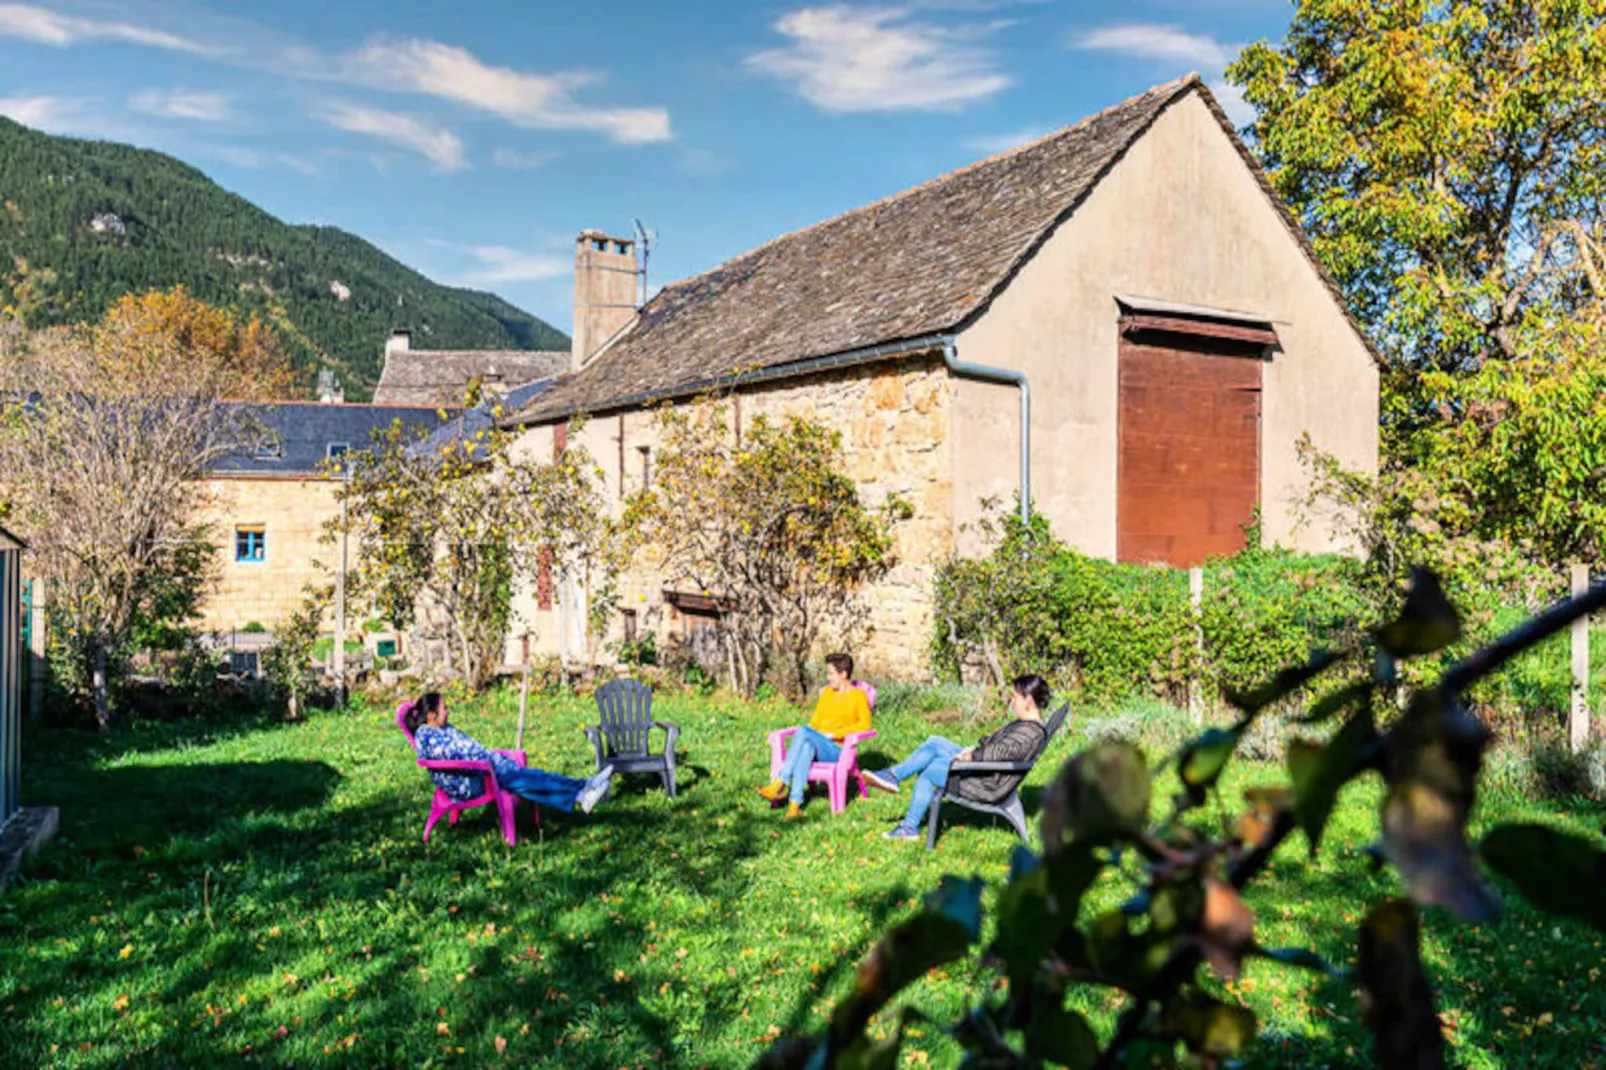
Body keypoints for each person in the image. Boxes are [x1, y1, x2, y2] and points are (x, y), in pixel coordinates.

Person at [865, 674, 1052, 840]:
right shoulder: (1028, 725)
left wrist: (973, 755)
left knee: (930, 770)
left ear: (1028, 700)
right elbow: (1001, 749)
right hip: (987, 768)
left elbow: (1002, 753)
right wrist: (973, 750)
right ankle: (893, 777)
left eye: (1015, 697)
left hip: (987, 782)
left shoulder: (1030, 732)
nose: (1011, 701)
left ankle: (908, 825)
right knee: (935, 742)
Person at [407, 692, 614, 814]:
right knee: (526, 781)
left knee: (535, 776)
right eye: (444, 708)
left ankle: (583, 787)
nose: (448, 711)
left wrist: (490, 758)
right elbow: (452, 756)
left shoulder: (441, 729)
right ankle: (580, 795)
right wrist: (484, 763)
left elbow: (466, 750)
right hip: (472, 779)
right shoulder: (427, 736)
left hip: (484, 769)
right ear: (431, 715)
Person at [757, 652, 872, 818]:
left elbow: (865, 725)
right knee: (806, 746)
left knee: (804, 732)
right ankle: (794, 805)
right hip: (819, 744)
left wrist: (835, 734)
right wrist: (810, 735)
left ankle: (780, 783)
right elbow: (815, 723)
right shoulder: (827, 693)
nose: (828, 677)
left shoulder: (858, 696)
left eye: (831, 673)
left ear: (843, 674)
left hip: (838, 750)